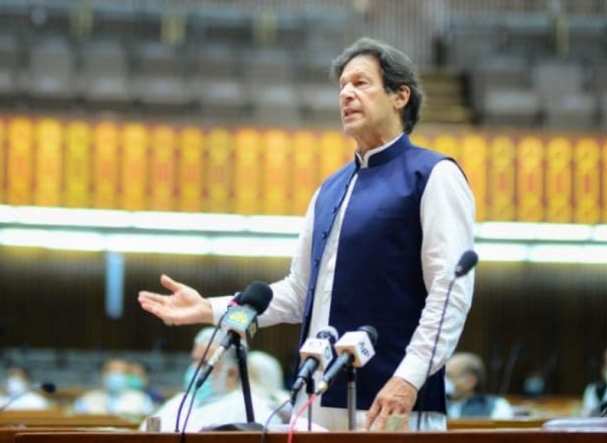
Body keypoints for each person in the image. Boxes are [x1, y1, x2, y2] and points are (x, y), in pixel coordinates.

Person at [139, 37, 475, 431]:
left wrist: (409, 378)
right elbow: (299, 292)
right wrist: (211, 310)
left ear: (400, 96)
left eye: (361, 83)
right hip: (315, 404)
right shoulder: (329, 190)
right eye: (342, 87)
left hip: (394, 406)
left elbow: (451, 293)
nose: (346, 94)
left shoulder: (433, 175)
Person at [146, 327, 278, 431]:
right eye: (194, 361)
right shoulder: (179, 403)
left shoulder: (254, 410)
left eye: (204, 363)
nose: (194, 369)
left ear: (231, 373)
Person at [73, 358, 154, 416]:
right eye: (112, 370)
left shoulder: (142, 400)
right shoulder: (86, 399)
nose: (116, 374)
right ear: (102, 374)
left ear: (128, 376)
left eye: (122, 371)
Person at [445, 352, 513, 419]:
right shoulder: (439, 404)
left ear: (470, 381)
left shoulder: (498, 406)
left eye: (450, 376)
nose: (445, 381)